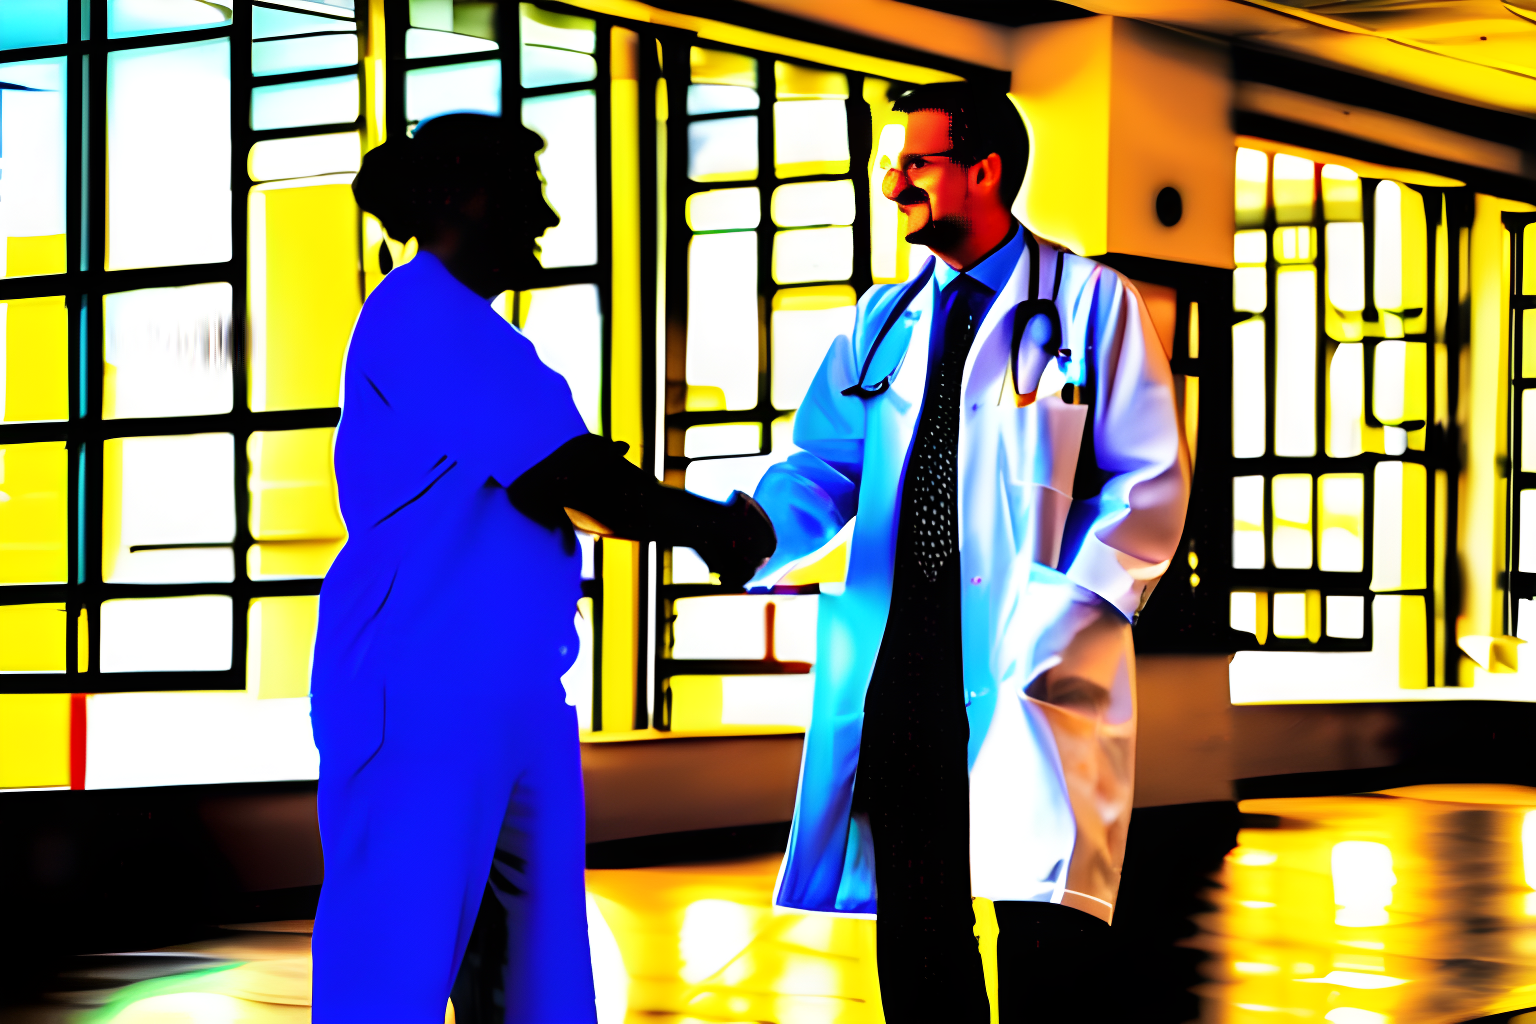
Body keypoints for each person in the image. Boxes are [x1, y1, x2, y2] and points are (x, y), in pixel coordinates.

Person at [309, 113, 774, 1023]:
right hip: (422, 701)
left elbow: (574, 488)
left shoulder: (483, 337)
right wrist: (716, 529)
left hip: (518, 698)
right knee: (387, 984)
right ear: (451, 197)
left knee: (541, 992)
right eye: (525, 189)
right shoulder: (418, 314)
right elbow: (573, 476)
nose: (548, 217)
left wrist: (663, 505)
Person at [748, 83, 1190, 1022]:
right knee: (917, 925)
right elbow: (826, 463)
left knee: (1045, 946)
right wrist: (755, 528)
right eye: (893, 163)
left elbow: (1147, 481)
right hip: (904, 665)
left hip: (1030, 660)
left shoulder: (1088, 302)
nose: (893, 181)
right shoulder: (883, 317)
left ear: (982, 170)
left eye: (916, 162)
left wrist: (1065, 616)